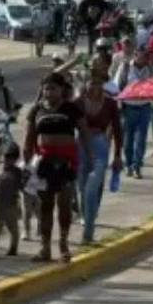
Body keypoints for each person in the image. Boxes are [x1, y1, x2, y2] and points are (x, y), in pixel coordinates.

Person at [22, 72, 91, 263]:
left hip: (66, 163)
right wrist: (27, 164)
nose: (49, 92)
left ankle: (63, 244)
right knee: (45, 206)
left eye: (53, 88)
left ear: (62, 89)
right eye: (46, 89)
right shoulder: (36, 110)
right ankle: (45, 247)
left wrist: (90, 157)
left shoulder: (71, 108)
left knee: (64, 204)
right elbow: (29, 139)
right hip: (44, 164)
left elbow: (84, 133)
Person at [77, 74, 123, 245]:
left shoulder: (110, 104)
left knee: (92, 187)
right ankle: (87, 215)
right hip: (81, 146)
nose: (94, 87)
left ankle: (88, 232)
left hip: (100, 146)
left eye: (98, 83)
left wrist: (117, 154)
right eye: (91, 83)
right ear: (85, 84)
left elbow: (117, 129)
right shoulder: (78, 102)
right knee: (82, 188)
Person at [115, 46, 153, 179]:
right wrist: (119, 105)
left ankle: (137, 166)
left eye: (146, 55)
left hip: (145, 107)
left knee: (141, 139)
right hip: (129, 107)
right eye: (141, 55)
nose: (144, 58)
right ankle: (128, 164)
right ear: (135, 55)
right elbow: (117, 85)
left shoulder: (150, 69)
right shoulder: (125, 67)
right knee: (128, 139)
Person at [0, 143, 23, 259]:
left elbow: (21, 187)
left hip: (11, 205)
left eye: (11, 157)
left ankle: (13, 247)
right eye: (6, 156)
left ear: (16, 159)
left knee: (13, 228)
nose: (8, 160)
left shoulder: (17, 172)